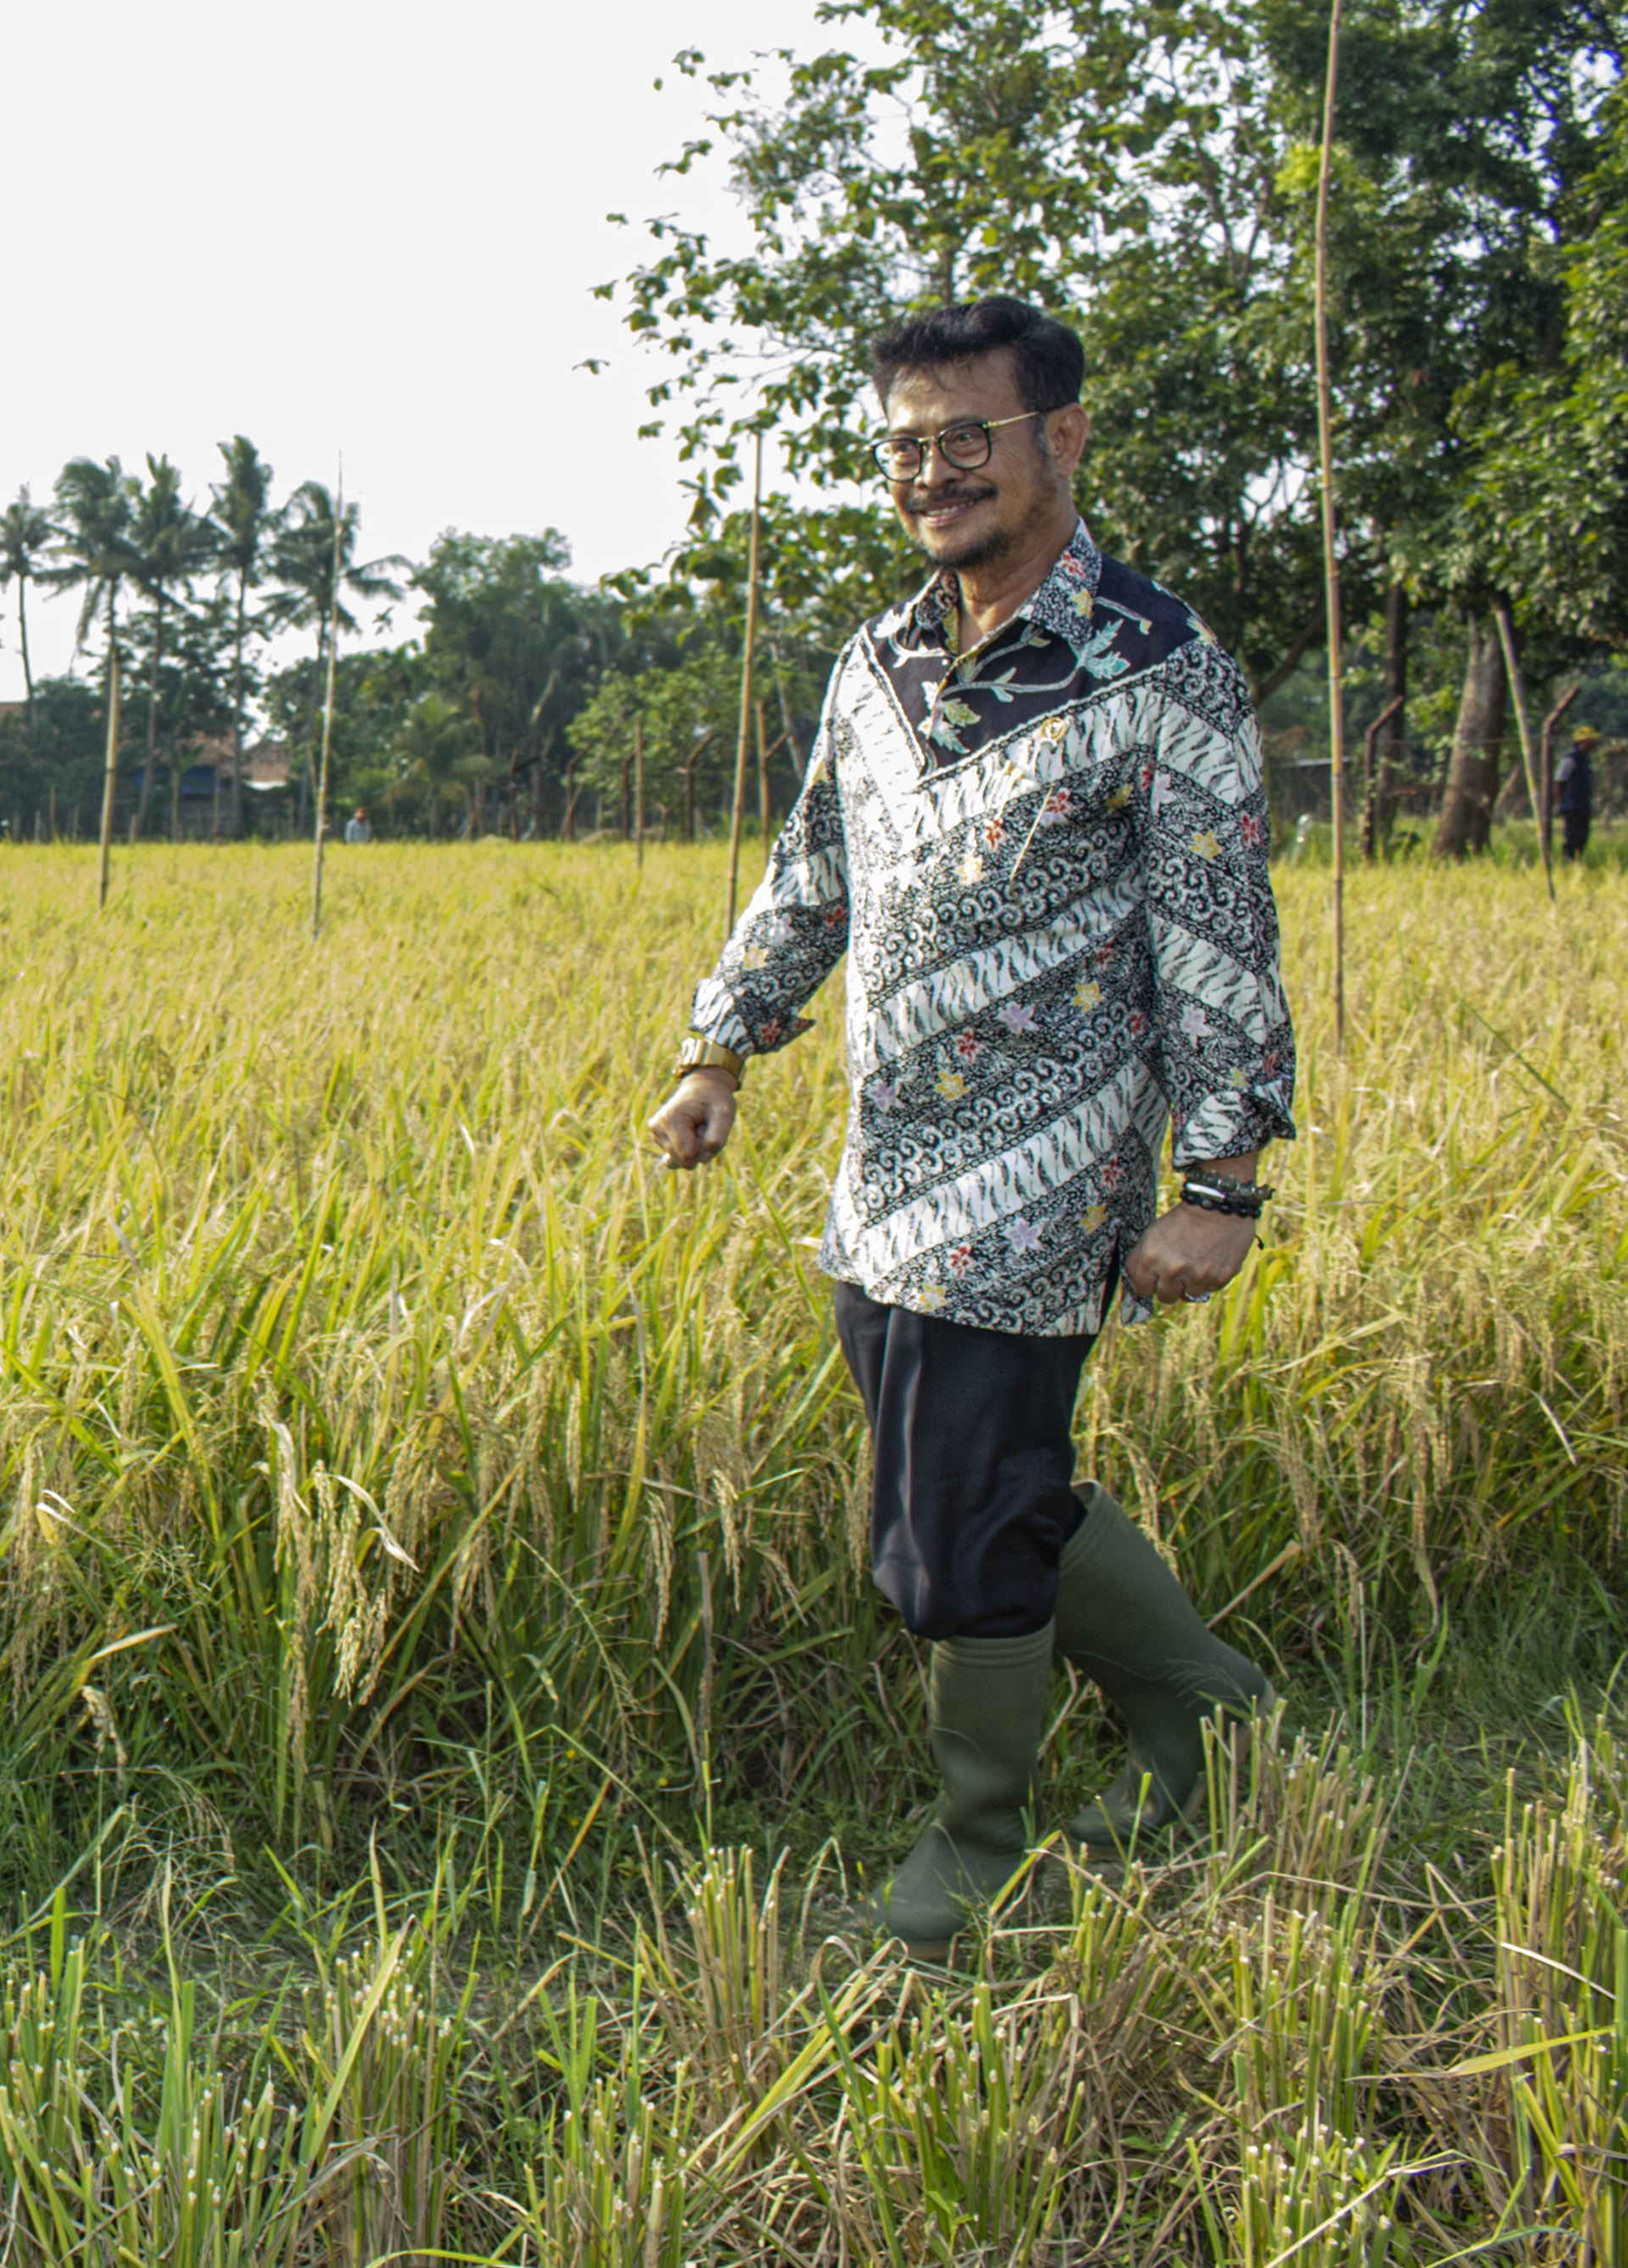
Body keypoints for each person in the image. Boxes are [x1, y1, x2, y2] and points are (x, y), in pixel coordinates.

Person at [645, 296, 1292, 1947]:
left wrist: (1218, 1182)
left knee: (948, 1532)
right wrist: (722, 1048)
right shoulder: (878, 660)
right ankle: (1213, 1717)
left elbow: (1213, 939)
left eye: (966, 438)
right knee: (975, 1487)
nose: (932, 473)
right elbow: (814, 868)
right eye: (905, 447)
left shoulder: (1160, 673)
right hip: (884, 1186)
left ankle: (973, 1851)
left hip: (1044, 1180)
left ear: (1057, 437)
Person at [1557, 728, 1597, 861]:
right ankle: (1567, 862)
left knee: (1583, 836)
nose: (1595, 743)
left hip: (1583, 805)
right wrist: (1560, 802)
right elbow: (1559, 781)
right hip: (1572, 805)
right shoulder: (1570, 759)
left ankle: (1577, 862)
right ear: (1582, 741)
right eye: (1592, 740)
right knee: (1571, 837)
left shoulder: (1586, 759)